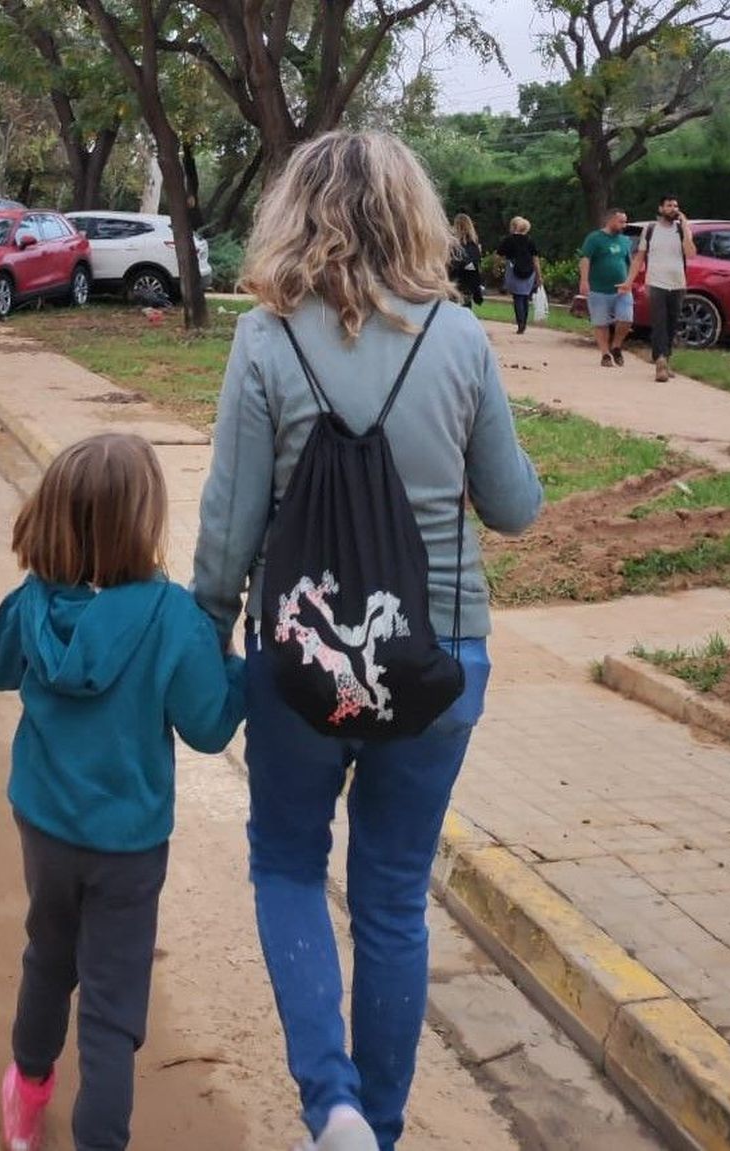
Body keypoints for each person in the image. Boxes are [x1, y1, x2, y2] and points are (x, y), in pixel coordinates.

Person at [192, 130, 543, 1151]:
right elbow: (513, 506)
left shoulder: (264, 340)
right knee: (392, 895)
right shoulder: (462, 337)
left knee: (288, 867)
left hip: (298, 664)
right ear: (414, 216)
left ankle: (329, 1102)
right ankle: (379, 1131)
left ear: (293, 212)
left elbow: (228, 521)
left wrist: (211, 636)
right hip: (441, 662)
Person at [0, 432, 245, 1151]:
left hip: (44, 825)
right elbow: (210, 726)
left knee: (48, 954)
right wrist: (242, 669)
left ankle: (27, 1096)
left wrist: (29, 610)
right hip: (127, 846)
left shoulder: (35, 602)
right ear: (145, 523)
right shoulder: (173, 618)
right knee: (109, 1006)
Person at [625, 194, 696, 381]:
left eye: (676, 205)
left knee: (672, 323)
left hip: (678, 283)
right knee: (659, 323)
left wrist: (686, 226)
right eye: (669, 205)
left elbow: (691, 253)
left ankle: (666, 359)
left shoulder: (681, 231)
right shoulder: (650, 230)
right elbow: (639, 258)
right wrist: (628, 281)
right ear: (661, 209)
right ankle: (660, 361)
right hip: (656, 282)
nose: (673, 208)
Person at [579, 208, 635, 367]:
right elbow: (585, 260)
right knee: (601, 322)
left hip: (622, 289)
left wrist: (630, 280)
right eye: (621, 221)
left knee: (626, 318)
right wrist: (584, 281)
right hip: (599, 289)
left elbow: (629, 262)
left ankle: (616, 345)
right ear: (610, 220)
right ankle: (605, 354)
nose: (624, 225)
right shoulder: (594, 238)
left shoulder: (625, 241)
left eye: (625, 221)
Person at [494, 216, 541, 333]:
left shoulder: (509, 240)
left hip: (514, 269)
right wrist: (539, 275)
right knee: (525, 296)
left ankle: (520, 322)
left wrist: (496, 267)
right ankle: (524, 321)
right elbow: (535, 259)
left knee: (517, 297)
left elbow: (498, 255)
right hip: (529, 271)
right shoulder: (530, 241)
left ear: (513, 227)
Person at [448, 213, 483, 307]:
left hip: (453, 281)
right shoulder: (473, 245)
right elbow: (475, 266)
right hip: (468, 282)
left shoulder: (451, 244)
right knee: (465, 308)